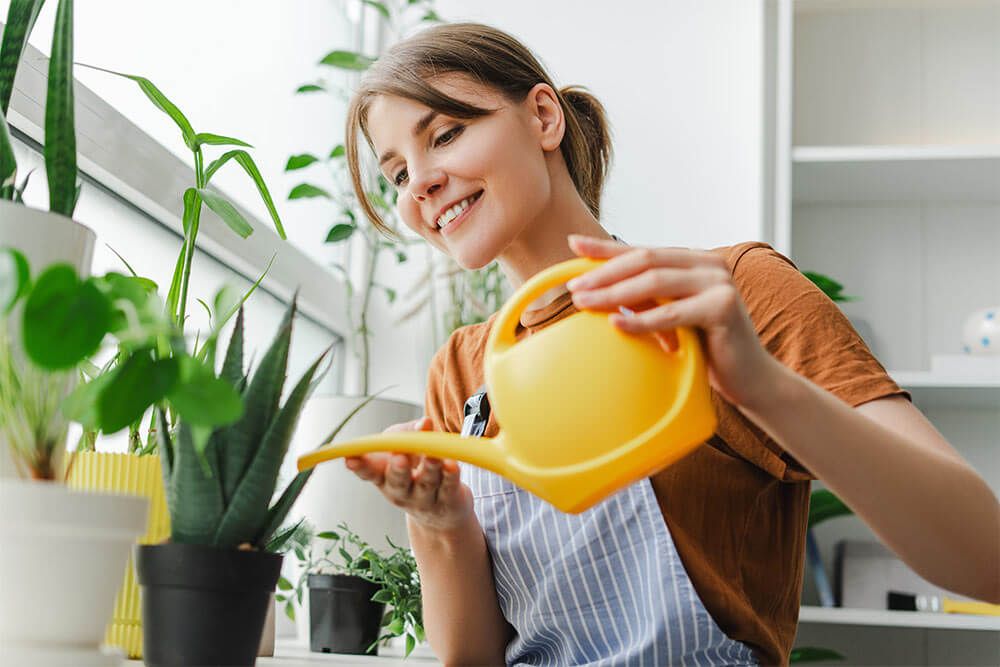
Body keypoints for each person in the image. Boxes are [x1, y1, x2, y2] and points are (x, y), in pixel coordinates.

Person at [340, 22, 1000, 666]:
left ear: (543, 117)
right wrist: (441, 520)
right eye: (396, 173)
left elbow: (986, 557)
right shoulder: (461, 370)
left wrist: (760, 383)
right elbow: (473, 652)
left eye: (446, 133)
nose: (420, 182)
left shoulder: (730, 294)